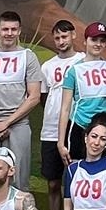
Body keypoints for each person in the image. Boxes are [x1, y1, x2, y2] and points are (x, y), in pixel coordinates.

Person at [0, 12, 44, 194]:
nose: (9, 33)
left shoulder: (28, 57)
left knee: (19, 180)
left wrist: (6, 123)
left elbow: (34, 96)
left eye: (14, 29)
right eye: (5, 29)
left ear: (19, 31)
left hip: (18, 124)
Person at [61, 24, 106, 174]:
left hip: (105, 130)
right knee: (77, 174)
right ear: (85, 41)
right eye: (94, 39)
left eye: (102, 41)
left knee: (105, 175)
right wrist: (60, 142)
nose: (98, 44)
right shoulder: (73, 71)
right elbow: (65, 108)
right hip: (79, 127)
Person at [38, 19, 85, 190]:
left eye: (64, 36)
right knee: (53, 183)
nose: (61, 41)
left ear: (73, 35)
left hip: (78, 126)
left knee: (78, 178)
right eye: (57, 38)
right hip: (51, 129)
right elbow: (43, 97)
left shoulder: (83, 61)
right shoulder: (47, 66)